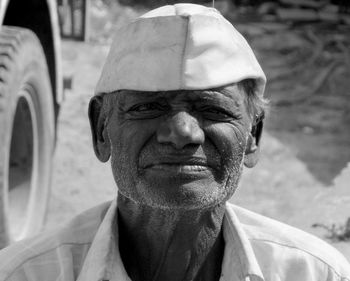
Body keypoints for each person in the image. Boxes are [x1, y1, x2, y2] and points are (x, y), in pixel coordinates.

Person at [0, 3, 349, 281]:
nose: (182, 132)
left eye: (212, 109)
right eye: (148, 107)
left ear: (253, 136)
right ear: (101, 130)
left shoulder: (314, 273)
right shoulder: (24, 274)